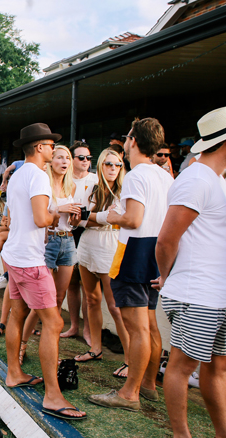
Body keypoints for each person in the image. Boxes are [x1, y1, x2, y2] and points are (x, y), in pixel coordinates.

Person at [89, 118, 173, 412]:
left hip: (134, 251)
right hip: (155, 252)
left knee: (137, 329)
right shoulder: (165, 176)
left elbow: (133, 219)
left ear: (134, 141)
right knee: (149, 324)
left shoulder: (137, 176)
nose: (124, 142)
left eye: (127, 137)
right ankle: (148, 385)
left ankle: (129, 393)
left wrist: (113, 216)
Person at [3, 123, 86, 420]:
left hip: (14, 254)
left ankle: (14, 372)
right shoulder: (38, 175)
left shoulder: (16, 175)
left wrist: (52, 215)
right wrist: (60, 211)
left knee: (17, 314)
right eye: (51, 145)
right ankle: (53, 395)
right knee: (53, 323)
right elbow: (41, 219)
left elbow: (23, 217)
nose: (54, 150)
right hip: (29, 260)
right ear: (40, 147)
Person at [154, 107, 226, 438]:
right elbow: (166, 241)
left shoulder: (215, 180)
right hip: (195, 295)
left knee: (218, 369)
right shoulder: (196, 179)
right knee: (182, 368)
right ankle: (181, 435)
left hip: (217, 293)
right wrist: (168, 277)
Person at [19, 145, 81, 363]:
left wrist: (75, 216)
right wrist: (59, 211)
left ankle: (49, 345)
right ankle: (23, 344)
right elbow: (41, 216)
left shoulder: (70, 186)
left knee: (58, 298)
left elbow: (73, 222)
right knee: (41, 301)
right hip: (48, 242)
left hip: (68, 241)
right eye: (60, 157)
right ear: (51, 161)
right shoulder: (42, 183)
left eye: (67, 158)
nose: (65, 162)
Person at [74, 149, 130, 374]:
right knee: (91, 299)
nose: (113, 169)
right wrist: (92, 219)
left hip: (110, 248)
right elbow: (81, 219)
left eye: (117, 165)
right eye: (108, 164)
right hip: (87, 246)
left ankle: (130, 361)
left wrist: (87, 219)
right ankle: (95, 348)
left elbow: (111, 220)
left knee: (115, 307)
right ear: (100, 165)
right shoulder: (92, 188)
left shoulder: (125, 191)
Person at [62, 141, 98, 342]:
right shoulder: (64, 180)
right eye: (81, 157)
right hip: (68, 232)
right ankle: (74, 326)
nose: (86, 161)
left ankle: (88, 331)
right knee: (71, 283)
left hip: (89, 231)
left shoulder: (96, 180)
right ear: (72, 159)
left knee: (88, 285)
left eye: (88, 158)